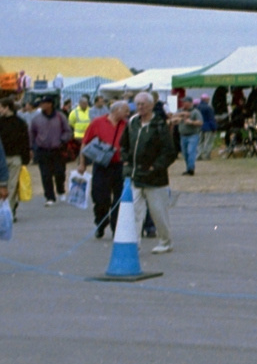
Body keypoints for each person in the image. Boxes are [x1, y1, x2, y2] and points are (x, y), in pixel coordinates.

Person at [121, 91, 178, 254]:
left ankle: (166, 241)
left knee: (158, 211)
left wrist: (155, 167)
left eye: (143, 104)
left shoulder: (159, 124)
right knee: (135, 211)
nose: (140, 108)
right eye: (137, 104)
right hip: (135, 175)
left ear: (151, 105)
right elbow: (123, 144)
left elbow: (169, 152)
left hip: (155, 178)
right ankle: (134, 241)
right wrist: (126, 160)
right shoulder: (132, 123)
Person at [79, 100, 129, 238]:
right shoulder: (97, 122)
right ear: (116, 110)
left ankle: (116, 227)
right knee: (100, 197)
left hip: (120, 166)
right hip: (102, 165)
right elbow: (85, 143)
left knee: (119, 198)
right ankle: (101, 222)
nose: (128, 113)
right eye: (125, 110)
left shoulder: (127, 125)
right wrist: (82, 163)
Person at [28, 94, 71, 206]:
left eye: (45, 103)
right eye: (41, 104)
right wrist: (32, 147)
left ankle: (60, 190)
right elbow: (32, 133)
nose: (42, 105)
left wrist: (62, 140)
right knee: (45, 174)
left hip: (58, 149)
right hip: (42, 150)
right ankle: (49, 197)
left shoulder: (60, 117)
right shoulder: (37, 119)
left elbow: (68, 131)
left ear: (50, 104)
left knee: (59, 172)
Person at [0, 97, 30, 220]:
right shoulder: (20, 122)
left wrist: (25, 158)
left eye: (1, 107)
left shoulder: (20, 123)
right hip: (9, 157)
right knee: (9, 185)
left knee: (12, 185)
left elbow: (25, 142)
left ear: (7, 108)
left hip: (15, 158)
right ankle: (8, 210)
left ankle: (9, 211)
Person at [174, 100, 204, 175]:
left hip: (193, 135)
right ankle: (188, 168)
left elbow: (200, 122)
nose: (184, 104)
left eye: (186, 103)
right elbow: (173, 116)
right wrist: (181, 114)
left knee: (191, 151)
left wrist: (191, 122)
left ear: (190, 103)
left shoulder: (195, 112)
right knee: (185, 153)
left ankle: (191, 169)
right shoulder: (179, 111)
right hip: (182, 135)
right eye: (183, 102)